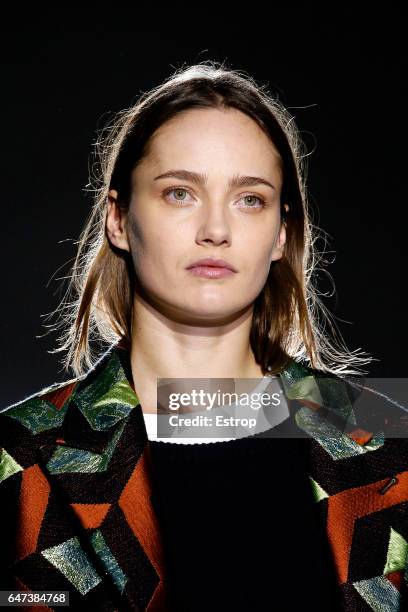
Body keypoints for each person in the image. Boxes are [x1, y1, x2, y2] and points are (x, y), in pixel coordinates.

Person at [1, 61, 407, 612]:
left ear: (280, 234)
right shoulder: (20, 461)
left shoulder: (388, 445)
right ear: (117, 219)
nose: (216, 229)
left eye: (250, 199)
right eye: (179, 193)